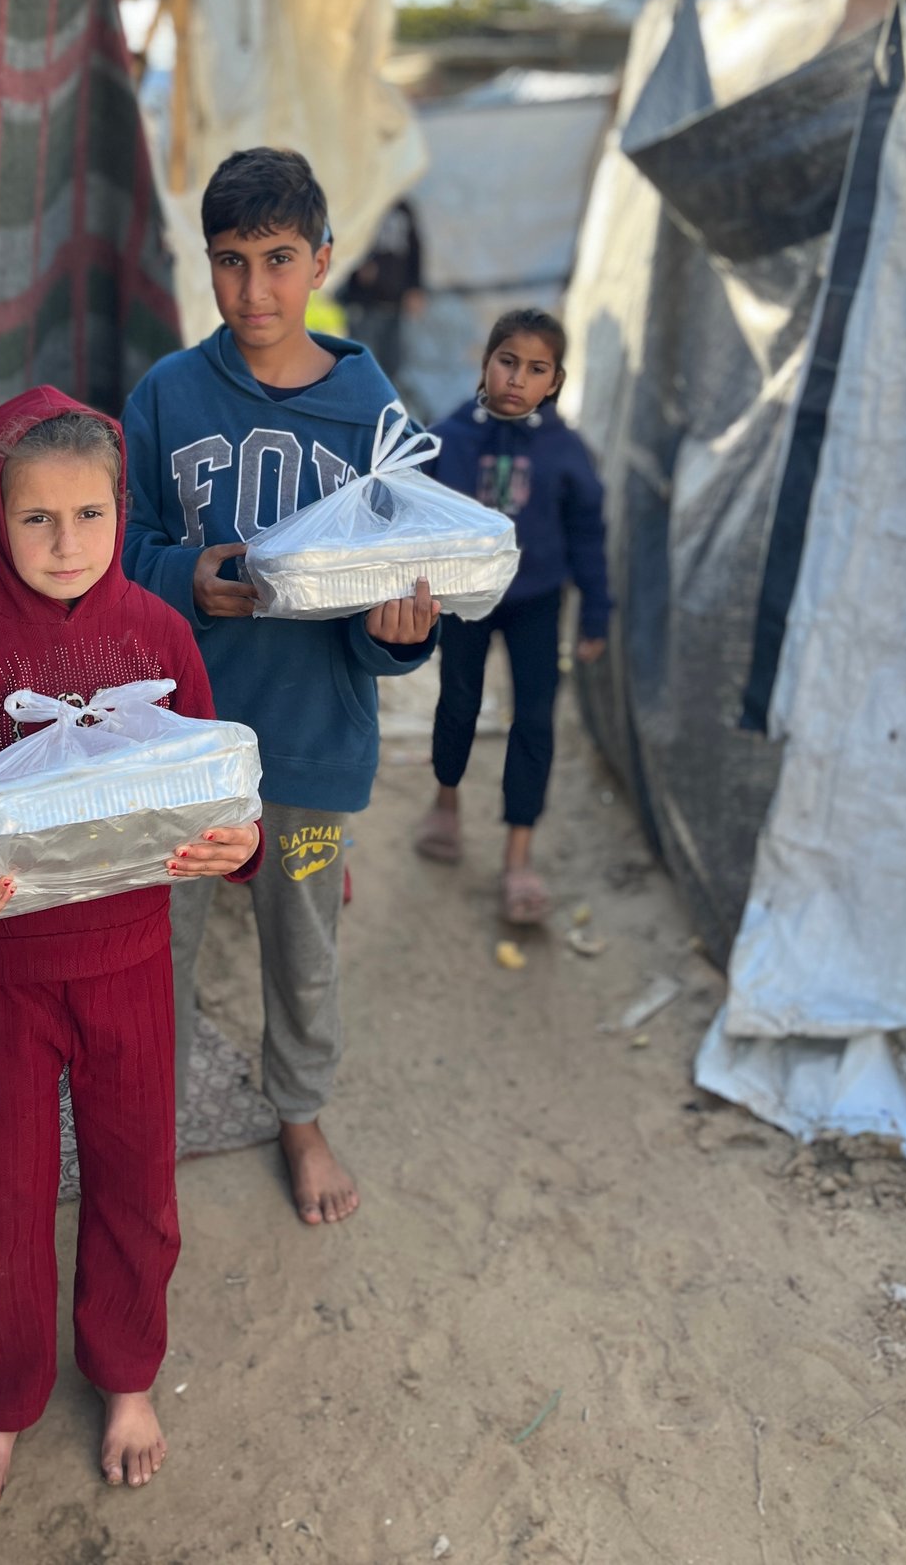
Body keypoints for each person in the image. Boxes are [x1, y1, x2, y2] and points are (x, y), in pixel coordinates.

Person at [0, 388, 261, 1508]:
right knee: (2, 1199)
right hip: (4, 982)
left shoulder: (158, 635)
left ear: (118, 503)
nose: (66, 544)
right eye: (36, 519)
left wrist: (242, 846)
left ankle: (127, 1373)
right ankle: (3, 1398)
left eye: (90, 515)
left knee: (138, 1182)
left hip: (133, 963)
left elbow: (210, 782)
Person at [122, 147, 439, 1229]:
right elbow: (125, 556)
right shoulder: (166, 394)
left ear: (322, 262)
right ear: (202, 263)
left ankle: (298, 1116)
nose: (253, 290)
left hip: (309, 754)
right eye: (229, 262)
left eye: (277, 259)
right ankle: (144, 1128)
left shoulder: (371, 417)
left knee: (300, 942)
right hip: (181, 745)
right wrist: (184, 578)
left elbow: (396, 597)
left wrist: (402, 634)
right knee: (152, 945)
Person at [412, 309, 609, 922]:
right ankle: (446, 800)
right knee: (458, 701)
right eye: (508, 361)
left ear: (555, 380)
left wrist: (597, 614)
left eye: (536, 368)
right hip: (468, 599)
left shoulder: (566, 451)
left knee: (535, 720)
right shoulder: (447, 439)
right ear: (486, 363)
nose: (518, 378)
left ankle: (518, 853)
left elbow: (588, 535)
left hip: (537, 602)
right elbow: (413, 517)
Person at [341, 197, 425, 385]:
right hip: (364, 302)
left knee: (392, 364)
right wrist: (358, 267)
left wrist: (415, 287)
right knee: (365, 361)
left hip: (395, 302)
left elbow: (415, 249)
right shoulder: (363, 201)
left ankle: (385, 408)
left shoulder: (402, 207)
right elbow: (345, 242)